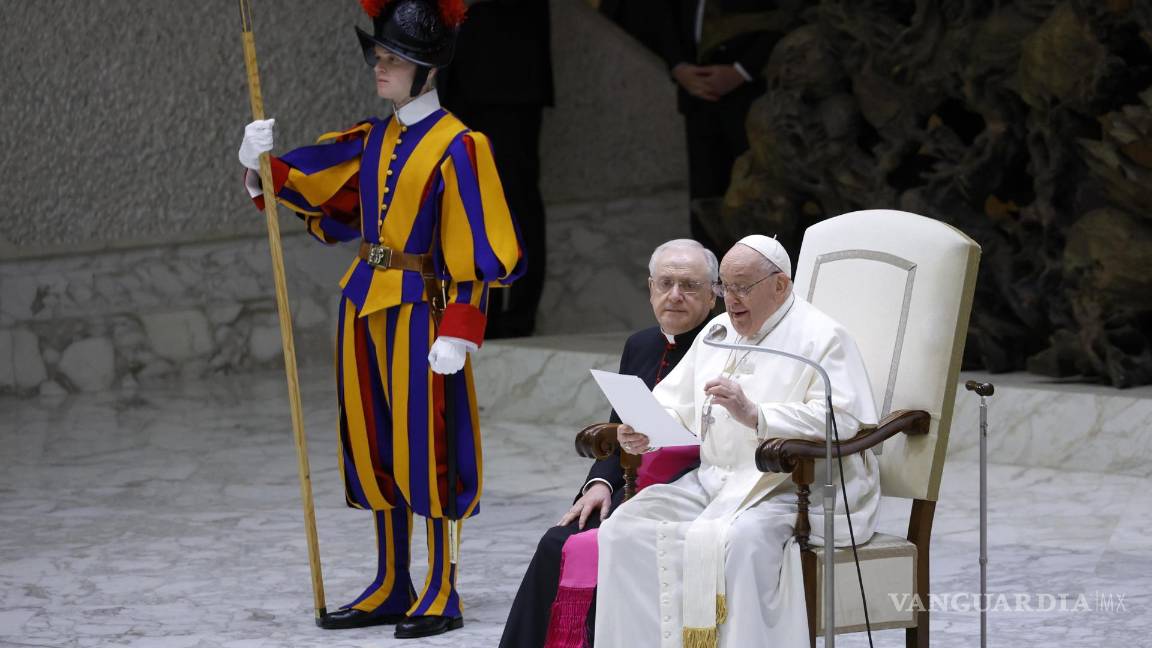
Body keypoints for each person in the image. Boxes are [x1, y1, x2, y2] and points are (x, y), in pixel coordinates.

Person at [236, 0, 523, 639]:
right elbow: (319, 188)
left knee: (431, 448)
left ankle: (442, 588)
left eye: (393, 59)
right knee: (374, 446)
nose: (379, 68)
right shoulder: (374, 138)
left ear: (426, 70)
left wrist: (462, 328)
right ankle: (393, 581)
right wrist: (260, 163)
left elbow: (479, 246)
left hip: (425, 312)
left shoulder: (461, 146)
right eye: (379, 56)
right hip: (363, 305)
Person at [595, 235, 879, 648]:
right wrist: (644, 430)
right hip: (715, 482)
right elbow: (674, 404)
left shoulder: (822, 338)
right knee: (623, 528)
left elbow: (846, 419)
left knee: (742, 543)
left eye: (743, 286)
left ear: (780, 285)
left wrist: (758, 415)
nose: (731, 299)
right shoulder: (717, 331)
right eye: (725, 287)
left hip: (789, 488)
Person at [499, 239, 718, 648]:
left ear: (713, 295)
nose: (675, 295)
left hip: (688, 489)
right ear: (650, 287)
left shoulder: (723, 348)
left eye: (689, 285)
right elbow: (619, 429)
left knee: (586, 547)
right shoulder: (641, 344)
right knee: (555, 542)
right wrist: (599, 484)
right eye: (665, 283)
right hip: (630, 483)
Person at [437, 0, 552, 338]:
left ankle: (517, 313)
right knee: (464, 198)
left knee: (515, 195)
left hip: (508, 73)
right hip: (455, 75)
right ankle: (473, 308)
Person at [649, 1, 800, 254]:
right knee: (705, 191)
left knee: (756, 189)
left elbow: (787, 16)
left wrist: (741, 71)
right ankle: (712, 276)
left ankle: (763, 274)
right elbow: (668, 17)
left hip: (750, 97)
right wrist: (679, 67)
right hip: (696, 95)